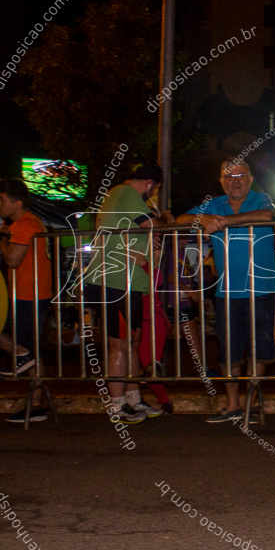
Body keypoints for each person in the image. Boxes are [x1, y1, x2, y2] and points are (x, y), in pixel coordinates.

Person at [176, 160, 275, 423]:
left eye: (241, 175)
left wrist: (223, 223)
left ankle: (250, 404)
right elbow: (181, 219)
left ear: (251, 179)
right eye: (229, 176)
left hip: (262, 289)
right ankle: (233, 406)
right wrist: (206, 219)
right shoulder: (213, 205)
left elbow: (266, 216)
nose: (236, 180)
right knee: (229, 351)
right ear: (221, 181)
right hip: (227, 292)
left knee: (261, 350)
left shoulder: (261, 198)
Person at [84, 163, 169, 424]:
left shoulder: (120, 195)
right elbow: (154, 225)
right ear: (151, 184)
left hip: (128, 280)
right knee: (120, 343)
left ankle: (133, 400)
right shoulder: (128, 194)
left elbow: (147, 229)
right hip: (115, 279)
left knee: (131, 341)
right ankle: (118, 405)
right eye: (154, 190)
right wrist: (161, 221)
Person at [0, 178, 55, 423]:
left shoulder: (26, 225)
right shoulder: (28, 223)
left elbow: (13, 260)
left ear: (16, 202)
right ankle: (36, 403)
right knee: (33, 353)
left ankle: (20, 355)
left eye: (1, 199)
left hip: (28, 295)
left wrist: (2, 238)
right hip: (28, 294)